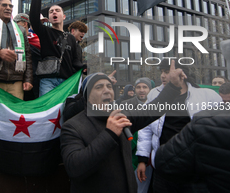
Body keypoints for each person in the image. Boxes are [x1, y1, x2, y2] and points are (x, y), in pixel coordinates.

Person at [61, 62, 186, 193]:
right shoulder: (72, 127)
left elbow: (152, 110)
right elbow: (74, 168)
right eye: (99, 87)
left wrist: (173, 86)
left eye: (109, 86)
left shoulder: (122, 117)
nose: (107, 90)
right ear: (87, 98)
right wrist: (109, 134)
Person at [136, 59, 223, 193]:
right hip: (163, 168)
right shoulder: (154, 94)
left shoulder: (207, 96)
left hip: (194, 170)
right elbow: (145, 130)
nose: (163, 76)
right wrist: (142, 159)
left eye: (167, 71)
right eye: (162, 72)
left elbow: (219, 132)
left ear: (182, 74)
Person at [29, 0, 85, 96]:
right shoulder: (45, 32)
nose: (54, 12)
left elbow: (75, 60)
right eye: (51, 12)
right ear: (49, 19)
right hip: (48, 81)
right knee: (47, 112)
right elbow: (34, 17)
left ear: (63, 16)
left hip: (67, 82)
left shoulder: (70, 38)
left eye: (57, 10)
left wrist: (84, 67)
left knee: (67, 111)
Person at [124, 78, 153, 193]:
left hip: (149, 159)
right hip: (130, 156)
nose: (141, 90)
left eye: (145, 87)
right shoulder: (125, 105)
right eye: (138, 87)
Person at [14, 13, 41, 99]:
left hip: (36, 80)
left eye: (16, 23)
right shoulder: (13, 39)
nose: (13, 26)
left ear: (25, 24)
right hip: (17, 79)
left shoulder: (38, 40)